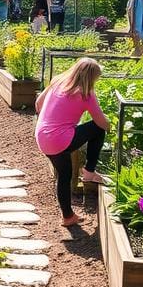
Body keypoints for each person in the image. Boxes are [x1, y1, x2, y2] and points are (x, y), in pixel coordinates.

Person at [35, 58, 110, 227]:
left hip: (42, 137)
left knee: (65, 174)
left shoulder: (57, 81)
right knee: (98, 129)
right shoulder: (86, 93)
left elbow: (38, 104)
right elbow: (100, 122)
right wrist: (111, 127)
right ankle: (89, 171)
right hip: (59, 139)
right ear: (91, 78)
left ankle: (68, 217)